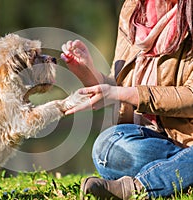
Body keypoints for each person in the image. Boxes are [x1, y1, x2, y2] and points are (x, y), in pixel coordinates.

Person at [61, 0, 193, 199]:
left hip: (188, 138)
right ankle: (181, 169)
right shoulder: (133, 8)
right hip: (157, 140)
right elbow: (120, 84)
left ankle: (138, 187)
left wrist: (119, 93)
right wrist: (88, 72)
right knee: (106, 149)